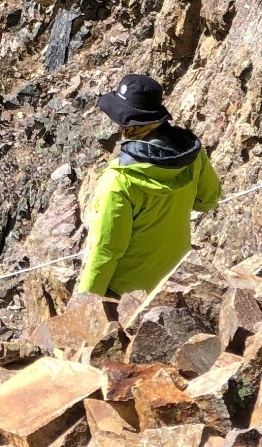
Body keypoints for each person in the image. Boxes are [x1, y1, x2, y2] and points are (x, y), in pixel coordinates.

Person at [75, 74, 221, 299]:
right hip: (174, 284)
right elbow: (207, 200)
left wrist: (84, 303)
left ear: (130, 125)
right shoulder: (192, 155)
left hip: (124, 296)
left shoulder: (118, 181)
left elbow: (104, 252)